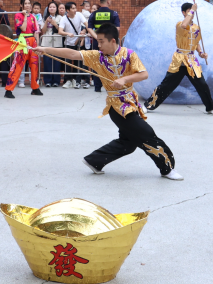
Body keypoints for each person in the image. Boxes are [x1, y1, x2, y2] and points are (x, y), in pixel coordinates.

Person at [41, 24, 182, 180]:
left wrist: (125, 79)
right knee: (146, 134)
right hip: (117, 107)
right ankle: (167, 168)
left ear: (113, 41)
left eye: (101, 42)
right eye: (98, 42)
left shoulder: (129, 54)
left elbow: (143, 74)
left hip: (131, 103)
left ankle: (94, 161)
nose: (99, 45)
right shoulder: (97, 57)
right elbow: (73, 54)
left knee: (127, 144)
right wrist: (45, 49)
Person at [144, 3, 213, 115]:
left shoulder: (196, 27)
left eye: (192, 11)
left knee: (202, 85)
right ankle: (148, 105)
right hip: (179, 60)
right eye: (188, 11)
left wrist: (201, 53)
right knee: (166, 85)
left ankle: (210, 107)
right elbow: (185, 25)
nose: (191, 14)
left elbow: (196, 42)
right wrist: (192, 10)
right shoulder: (180, 25)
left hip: (191, 60)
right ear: (183, 13)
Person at [5, 0, 43, 98]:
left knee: (34, 65)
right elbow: (23, 27)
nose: (28, 5)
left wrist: (37, 45)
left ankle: (35, 88)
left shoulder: (33, 17)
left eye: (29, 3)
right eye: (25, 3)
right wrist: (25, 16)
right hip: (23, 41)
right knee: (18, 65)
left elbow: (36, 32)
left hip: (32, 41)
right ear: (21, 5)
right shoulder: (18, 15)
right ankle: (8, 89)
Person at [87, 0, 120, 92]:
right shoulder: (114, 13)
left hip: (97, 43)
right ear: (108, 1)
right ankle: (110, 85)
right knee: (111, 63)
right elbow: (117, 29)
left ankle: (97, 87)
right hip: (110, 43)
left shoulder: (93, 14)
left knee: (97, 63)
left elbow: (89, 28)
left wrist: (97, 37)